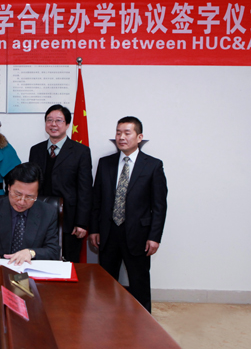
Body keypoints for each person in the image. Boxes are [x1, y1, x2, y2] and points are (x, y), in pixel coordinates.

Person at [89, 116, 168, 313]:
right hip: (108, 233)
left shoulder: (153, 165)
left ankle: (143, 322)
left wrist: (154, 237)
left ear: (139, 137)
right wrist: (94, 229)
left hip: (139, 235)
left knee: (139, 282)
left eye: (127, 133)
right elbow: (97, 200)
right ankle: (106, 319)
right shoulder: (105, 163)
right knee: (106, 282)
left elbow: (159, 206)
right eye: (118, 133)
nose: (121, 137)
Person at [29, 104, 92, 262]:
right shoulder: (35, 150)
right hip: (39, 218)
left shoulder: (81, 152)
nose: (53, 124)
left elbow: (85, 190)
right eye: (49, 120)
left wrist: (82, 222)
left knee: (68, 263)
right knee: (39, 261)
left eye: (58, 120)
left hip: (69, 221)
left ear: (67, 124)